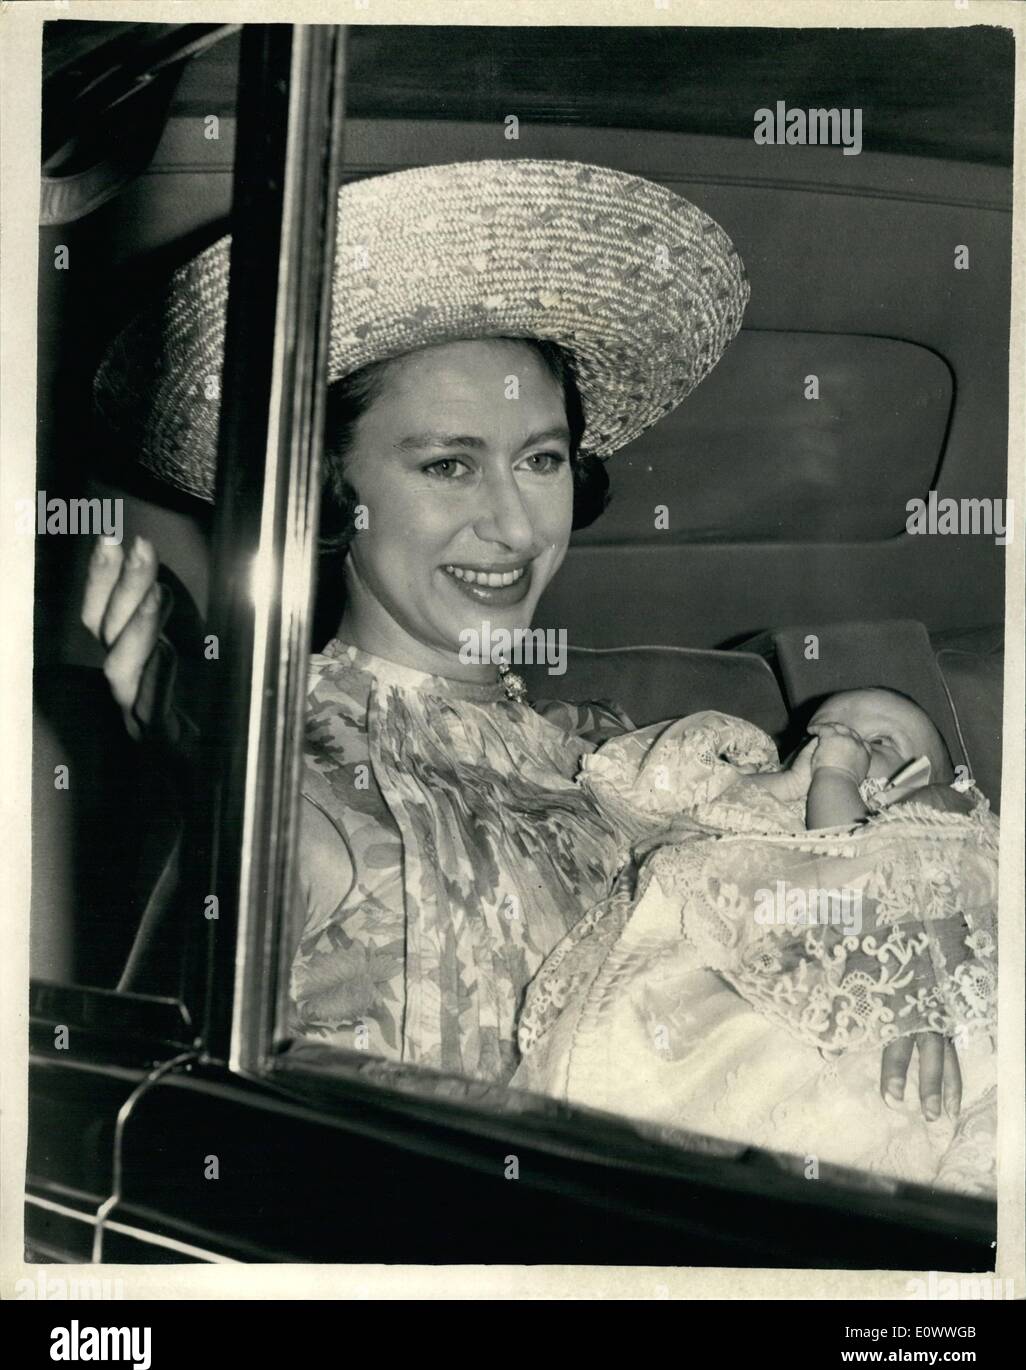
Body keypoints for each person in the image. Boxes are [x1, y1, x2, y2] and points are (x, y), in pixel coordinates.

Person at [82, 157, 960, 1124]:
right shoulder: (291, 757)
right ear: (331, 493)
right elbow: (168, 1091)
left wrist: (895, 979)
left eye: (540, 459)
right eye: (448, 465)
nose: (512, 522)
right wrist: (199, 747)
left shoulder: (612, 752)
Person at [512, 690, 998, 1192]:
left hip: (832, 1003)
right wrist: (781, 784)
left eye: (878, 739)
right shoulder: (774, 812)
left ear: (926, 777)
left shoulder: (923, 816)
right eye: (821, 734)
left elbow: (848, 868)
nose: (841, 742)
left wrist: (837, 778)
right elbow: (674, 807)